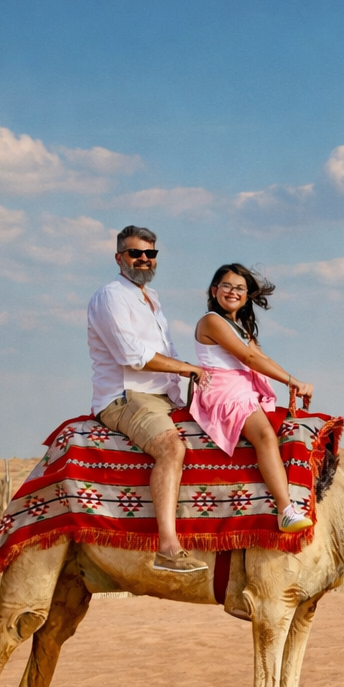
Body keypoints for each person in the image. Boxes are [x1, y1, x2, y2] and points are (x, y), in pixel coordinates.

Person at [87, 225, 213, 574]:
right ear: (119, 258)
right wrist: (187, 368)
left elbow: (167, 353)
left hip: (163, 396)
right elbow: (132, 355)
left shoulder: (151, 299)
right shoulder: (111, 296)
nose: (144, 259)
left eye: (150, 253)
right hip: (126, 396)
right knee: (171, 448)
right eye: (135, 253)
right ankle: (168, 548)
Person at [190, 263, 315, 532]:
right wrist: (292, 381)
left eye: (240, 288)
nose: (233, 292)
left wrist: (293, 382)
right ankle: (285, 510)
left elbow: (261, 358)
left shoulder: (239, 327)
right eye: (227, 286)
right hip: (224, 390)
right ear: (214, 290)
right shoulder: (212, 321)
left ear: (246, 296)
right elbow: (247, 358)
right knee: (265, 435)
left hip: (244, 387)